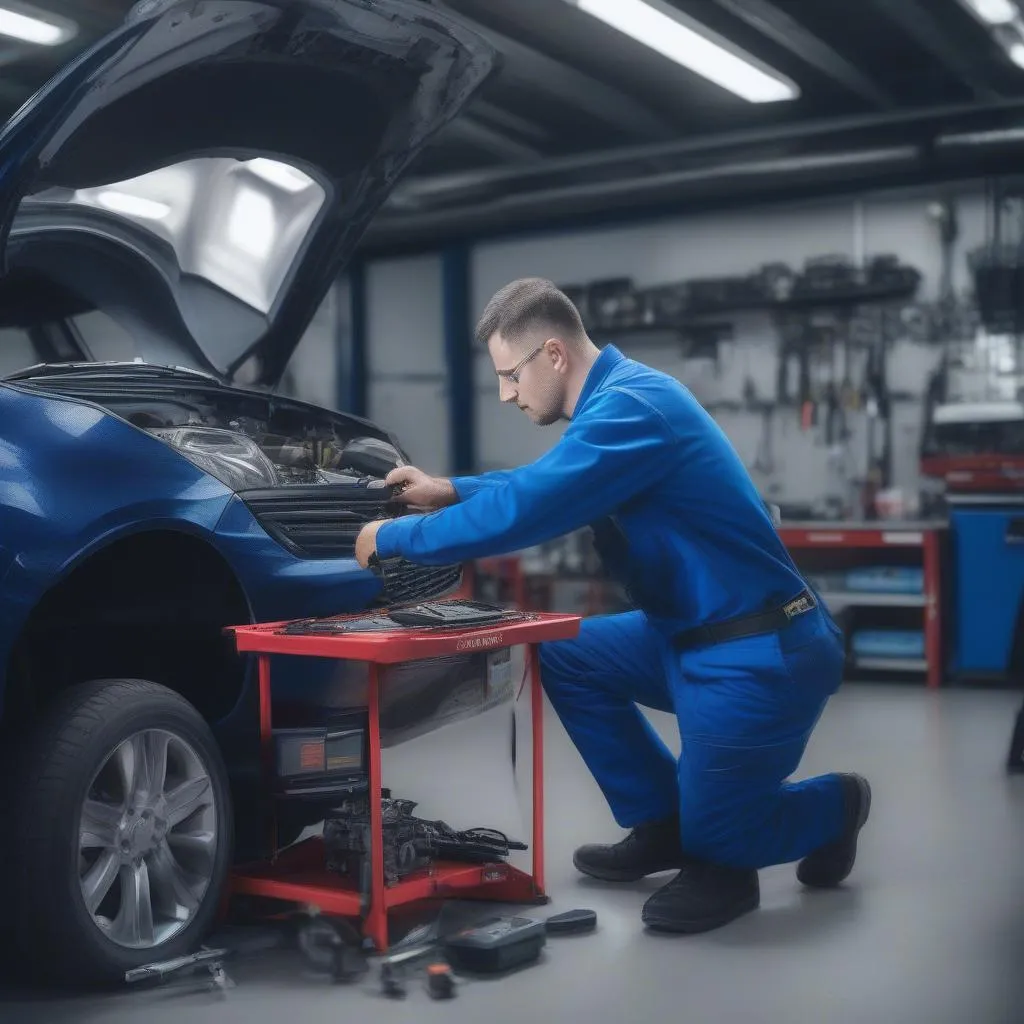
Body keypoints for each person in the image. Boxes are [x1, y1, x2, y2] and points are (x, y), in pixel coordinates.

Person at [354, 277, 870, 934]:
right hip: (689, 635)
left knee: (725, 841)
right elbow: (549, 481)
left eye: (511, 376)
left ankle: (834, 806)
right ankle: (664, 823)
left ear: (555, 354)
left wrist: (393, 539)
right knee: (567, 651)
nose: (507, 395)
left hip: (758, 651)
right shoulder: (614, 409)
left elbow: (533, 506)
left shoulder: (636, 408)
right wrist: (450, 490)